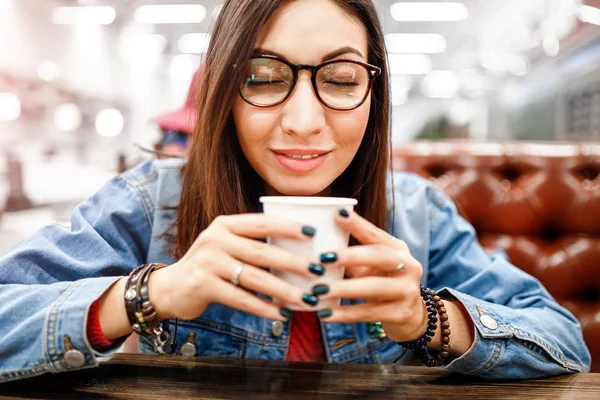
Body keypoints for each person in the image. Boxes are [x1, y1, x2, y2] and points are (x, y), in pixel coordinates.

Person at [0, 0, 590, 383]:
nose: (304, 121)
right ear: (225, 93)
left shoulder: (417, 213)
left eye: (339, 79)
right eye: (263, 78)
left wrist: (426, 319)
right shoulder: (154, 203)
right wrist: (149, 293)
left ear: (373, 94)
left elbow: (563, 343)